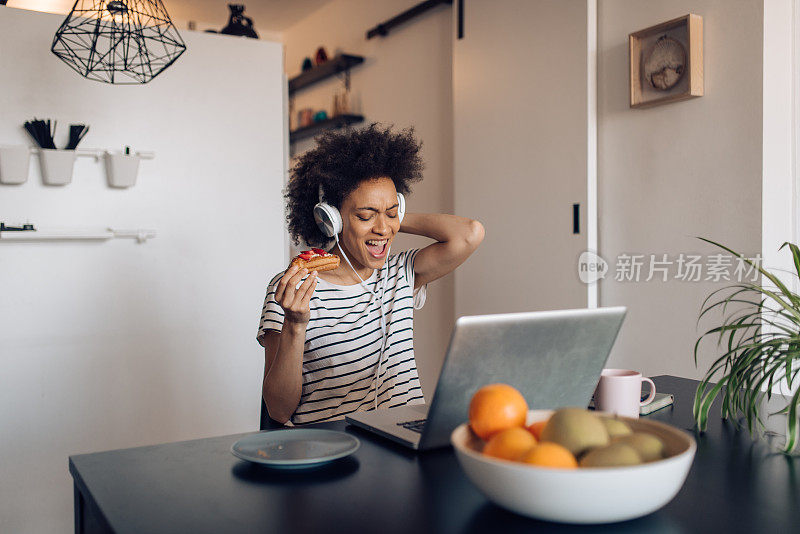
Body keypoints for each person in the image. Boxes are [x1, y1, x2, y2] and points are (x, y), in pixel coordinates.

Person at [257, 124, 484, 425]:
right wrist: (295, 326)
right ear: (331, 220)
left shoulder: (400, 273)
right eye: (365, 216)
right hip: (336, 448)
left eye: (392, 212)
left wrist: (389, 217)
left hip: (407, 436)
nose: (383, 230)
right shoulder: (293, 289)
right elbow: (278, 410)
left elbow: (470, 234)